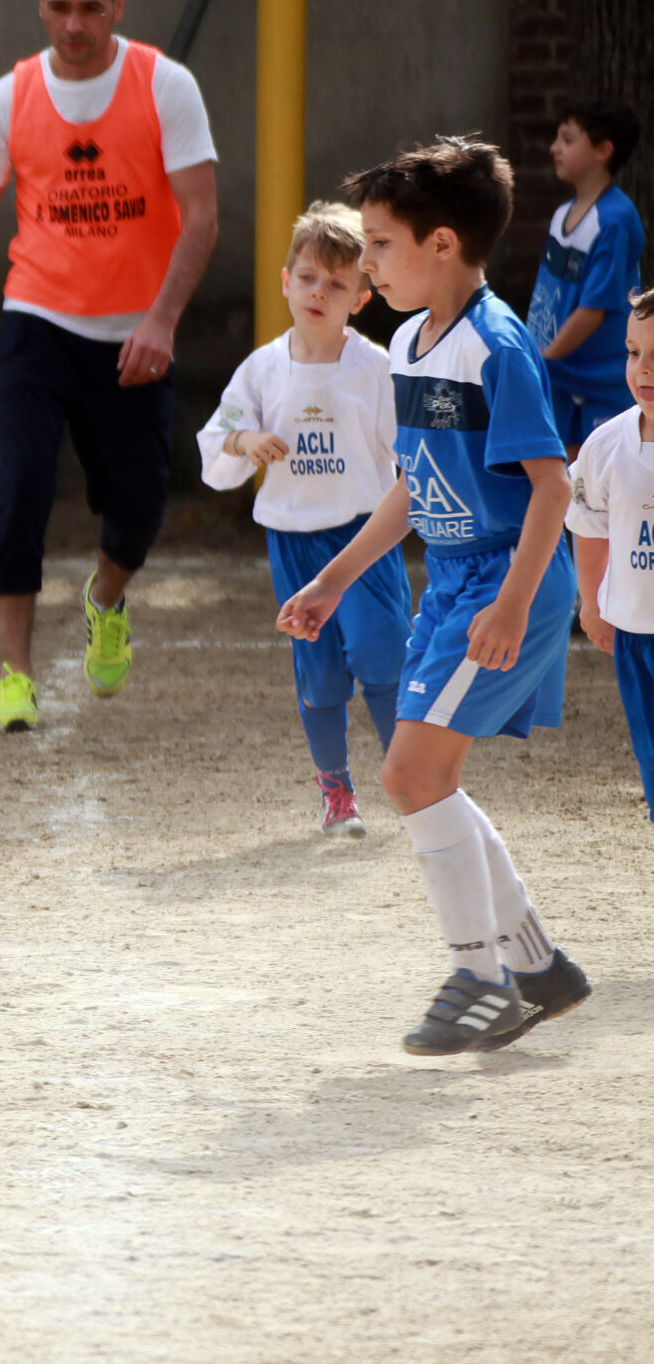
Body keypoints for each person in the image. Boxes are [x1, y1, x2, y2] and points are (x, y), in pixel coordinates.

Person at [279, 136, 591, 1056]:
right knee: (427, 777)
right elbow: (416, 487)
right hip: (452, 583)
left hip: (505, 580)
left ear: (443, 244)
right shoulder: (413, 344)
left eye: (380, 244)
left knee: (409, 777)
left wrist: (514, 604)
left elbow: (553, 486)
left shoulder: (496, 347)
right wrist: (333, 578)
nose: (367, 261)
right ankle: (535, 964)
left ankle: (480, 979)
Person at [0, 0, 220, 732]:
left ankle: (105, 598)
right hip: (38, 320)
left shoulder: (165, 86)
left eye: (90, 8)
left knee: (139, 503)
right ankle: (14, 676)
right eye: (59, 7)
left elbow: (202, 216)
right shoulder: (6, 100)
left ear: (119, 7)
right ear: (40, 5)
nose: (74, 24)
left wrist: (162, 319)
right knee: (22, 485)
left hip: (136, 332)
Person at [197, 203, 405, 839]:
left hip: (363, 538)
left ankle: (414, 783)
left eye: (336, 284)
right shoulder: (262, 368)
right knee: (320, 674)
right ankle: (337, 792)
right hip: (292, 541)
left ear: (361, 299)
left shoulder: (376, 368)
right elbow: (216, 443)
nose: (319, 292)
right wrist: (246, 441)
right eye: (308, 278)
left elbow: (411, 456)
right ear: (285, 281)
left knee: (382, 655)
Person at [565, 289, 654, 826]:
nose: (644, 369)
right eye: (633, 352)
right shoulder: (605, 445)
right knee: (651, 755)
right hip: (636, 637)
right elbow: (589, 523)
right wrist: (592, 603)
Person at [525, 100, 643, 457]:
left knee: (601, 472)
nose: (554, 148)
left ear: (603, 151)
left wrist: (543, 357)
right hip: (560, 375)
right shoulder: (561, 214)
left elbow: (594, 308)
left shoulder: (615, 219)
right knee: (564, 471)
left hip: (601, 381)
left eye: (567, 139)